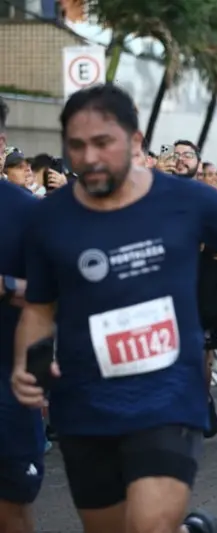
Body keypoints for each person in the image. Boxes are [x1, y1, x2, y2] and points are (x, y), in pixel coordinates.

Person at [10, 84, 217, 533]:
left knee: (147, 525)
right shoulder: (49, 218)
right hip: (85, 404)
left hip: (167, 396)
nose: (89, 157)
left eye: (103, 142)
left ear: (136, 142)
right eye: (77, 145)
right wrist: (28, 364)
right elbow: (39, 309)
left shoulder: (185, 200)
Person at [0, 179, 42, 533]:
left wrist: (7, 285)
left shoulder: (26, 210)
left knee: (10, 504)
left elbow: (58, 291)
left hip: (7, 384)